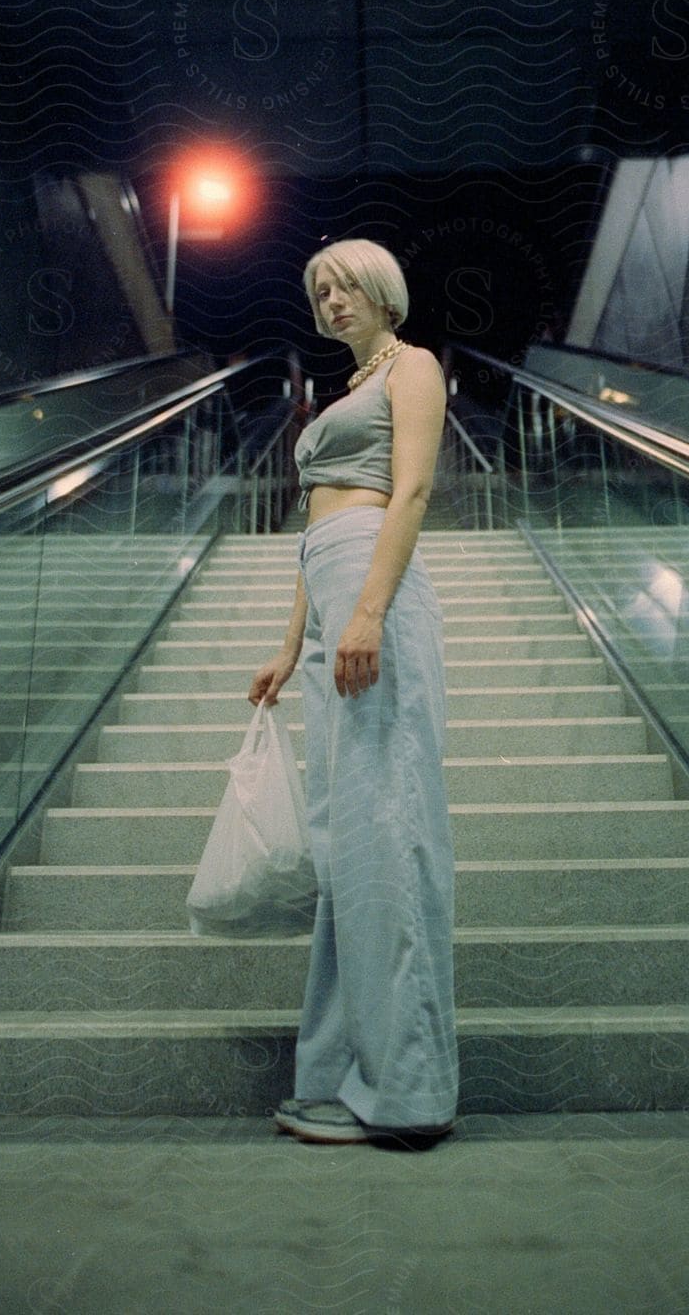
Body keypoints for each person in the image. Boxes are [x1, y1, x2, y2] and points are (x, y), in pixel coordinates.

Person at [247, 238, 459, 1148]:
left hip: (376, 589)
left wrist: (367, 612)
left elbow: (408, 492)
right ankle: (347, 1070)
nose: (331, 300)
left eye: (346, 286)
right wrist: (293, 642)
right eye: (319, 290)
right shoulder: (345, 391)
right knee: (348, 844)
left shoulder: (412, 369)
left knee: (389, 827)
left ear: (383, 291)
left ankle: (409, 1093)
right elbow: (310, 526)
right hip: (334, 593)